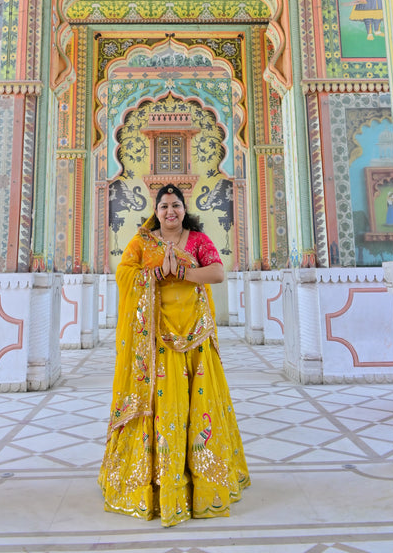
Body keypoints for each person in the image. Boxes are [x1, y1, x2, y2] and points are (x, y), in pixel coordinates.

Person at [98, 183, 250, 527]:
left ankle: (202, 483)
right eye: (164, 206)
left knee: (199, 409)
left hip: (195, 337)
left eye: (176, 206)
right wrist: (154, 274)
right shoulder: (143, 241)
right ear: (156, 210)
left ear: (185, 209)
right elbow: (123, 274)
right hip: (156, 341)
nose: (170, 212)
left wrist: (181, 272)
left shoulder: (197, 239)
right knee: (165, 408)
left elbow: (217, 273)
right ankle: (157, 485)